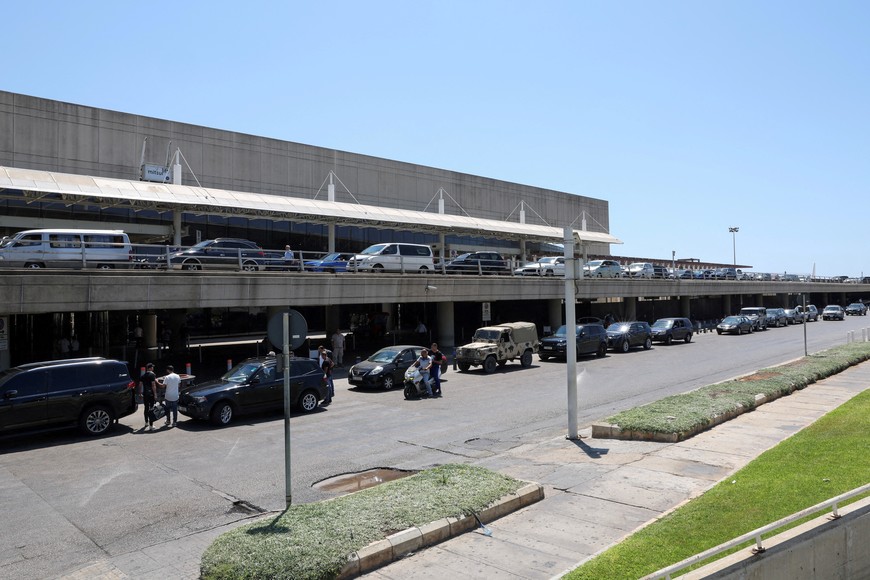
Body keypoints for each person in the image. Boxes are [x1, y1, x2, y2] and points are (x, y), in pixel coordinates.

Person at [140, 363, 158, 431]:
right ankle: (151, 425)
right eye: (152, 367)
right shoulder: (152, 375)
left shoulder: (143, 376)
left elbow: (140, 385)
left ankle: (146, 422)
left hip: (145, 394)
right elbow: (153, 385)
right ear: (150, 368)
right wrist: (155, 394)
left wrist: (140, 393)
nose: (153, 368)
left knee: (146, 408)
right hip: (151, 394)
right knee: (151, 408)